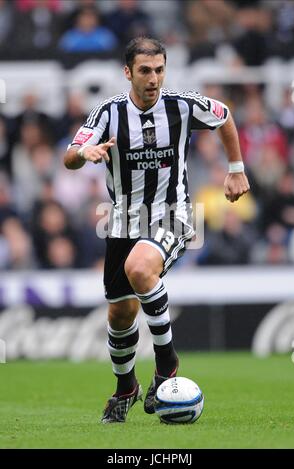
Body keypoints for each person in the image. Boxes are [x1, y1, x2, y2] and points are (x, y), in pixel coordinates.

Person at [63, 37, 250, 423]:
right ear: (127, 72)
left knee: (139, 269)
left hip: (173, 213)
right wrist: (85, 153)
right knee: (120, 313)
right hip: (120, 221)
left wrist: (236, 169)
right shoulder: (108, 114)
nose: (154, 78)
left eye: (160, 69)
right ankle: (125, 387)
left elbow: (225, 115)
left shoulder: (181, 105)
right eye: (146, 71)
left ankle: (166, 361)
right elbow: (69, 155)